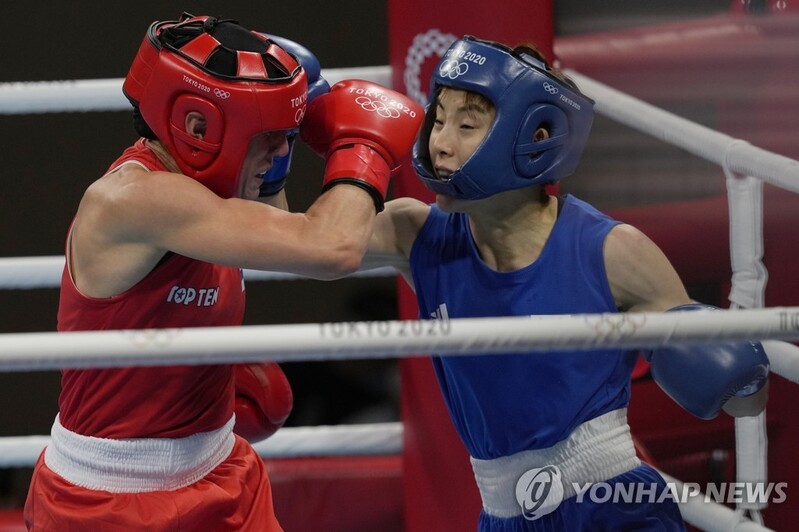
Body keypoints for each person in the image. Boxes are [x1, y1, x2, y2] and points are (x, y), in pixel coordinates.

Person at [23, 13, 422, 531]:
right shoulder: (135, 199)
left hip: (223, 473)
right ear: (198, 128)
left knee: (415, 228)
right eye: (270, 137)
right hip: (110, 500)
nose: (283, 150)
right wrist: (362, 149)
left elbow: (297, 232)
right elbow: (331, 247)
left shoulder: (215, 199)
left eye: (287, 136)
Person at [365, 35, 770, 530]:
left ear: (534, 136)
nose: (440, 142)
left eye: (466, 125)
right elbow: (313, 247)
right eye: (440, 118)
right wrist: (347, 154)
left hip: (612, 508)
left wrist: (735, 365)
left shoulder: (612, 251)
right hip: (503, 516)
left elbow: (745, 398)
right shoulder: (417, 234)